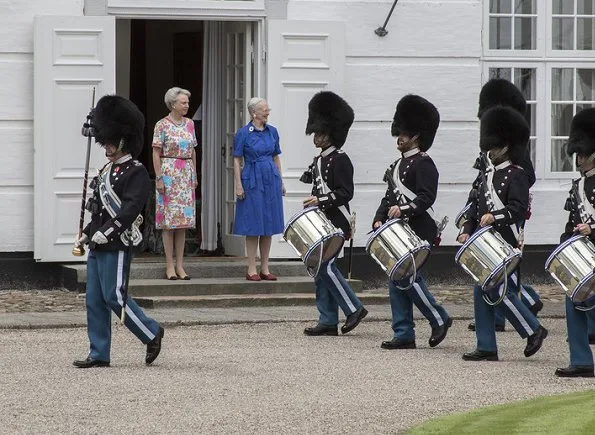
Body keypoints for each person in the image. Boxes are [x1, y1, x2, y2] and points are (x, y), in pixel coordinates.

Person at [73, 95, 164, 368]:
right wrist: (89, 232)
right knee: (94, 300)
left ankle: (151, 332)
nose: (107, 146)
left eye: (110, 141)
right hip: (99, 243)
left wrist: (108, 232)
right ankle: (99, 352)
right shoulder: (105, 171)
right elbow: (99, 209)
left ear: (123, 140)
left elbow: (129, 210)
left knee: (115, 296)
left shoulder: (135, 172)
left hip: (117, 242)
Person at [459, 105, 547, 361]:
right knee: (481, 291)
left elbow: (518, 210)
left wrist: (495, 216)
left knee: (499, 291)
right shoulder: (485, 176)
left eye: (495, 146)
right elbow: (473, 207)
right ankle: (486, 346)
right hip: (484, 242)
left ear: (507, 146)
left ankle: (533, 329)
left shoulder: (517, 176)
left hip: (506, 241)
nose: (491, 151)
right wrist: (466, 230)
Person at [373, 95, 452, 350]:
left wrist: (404, 208)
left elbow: (427, 198)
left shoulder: (424, 163)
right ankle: (403, 332)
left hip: (418, 230)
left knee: (407, 279)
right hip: (399, 231)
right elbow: (389, 197)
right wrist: (379, 217)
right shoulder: (397, 165)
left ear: (416, 136)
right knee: (396, 279)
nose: (399, 137)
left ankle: (438, 317)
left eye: (404, 133)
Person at [300, 91, 368, 336]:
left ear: (331, 134)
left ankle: (353, 308)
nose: (315, 137)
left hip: (337, 220)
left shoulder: (341, 159)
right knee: (319, 270)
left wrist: (321, 199)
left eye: (320, 132)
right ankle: (327, 320)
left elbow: (345, 193)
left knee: (326, 266)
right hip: (322, 221)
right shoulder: (319, 160)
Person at [555, 108, 595, 377]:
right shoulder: (577, 186)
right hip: (585, 255)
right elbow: (572, 223)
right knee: (574, 298)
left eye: (582, 153)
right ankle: (581, 360)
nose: (578, 158)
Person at [233, 97, 285, 281]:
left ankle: (265, 267)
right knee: (253, 224)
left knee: (269, 224)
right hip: (252, 179)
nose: (268, 112)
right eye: (264, 109)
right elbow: (237, 160)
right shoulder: (243, 133)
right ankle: (251, 268)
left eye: (267, 109)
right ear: (254, 113)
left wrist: (282, 182)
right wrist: (238, 185)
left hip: (271, 179)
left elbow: (276, 157)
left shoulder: (273, 132)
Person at [152, 87, 198, 280]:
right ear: (173, 104)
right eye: (183, 102)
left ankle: (180, 265)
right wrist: (159, 177)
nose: (187, 105)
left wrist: (194, 174)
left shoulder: (189, 124)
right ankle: (169, 265)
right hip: (169, 173)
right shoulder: (162, 125)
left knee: (182, 224)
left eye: (187, 102)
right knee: (169, 224)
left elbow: (193, 150)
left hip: (186, 174)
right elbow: (156, 152)